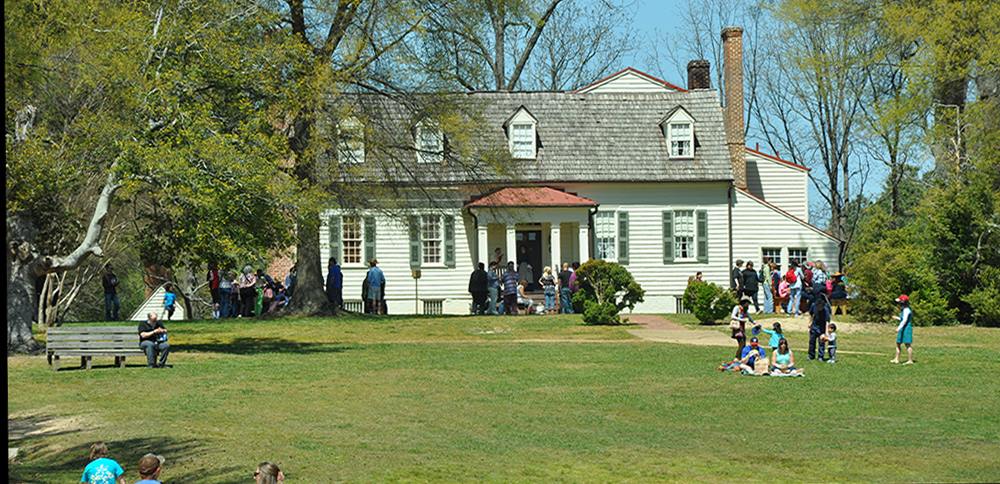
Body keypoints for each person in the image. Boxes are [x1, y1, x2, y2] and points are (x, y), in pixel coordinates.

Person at [892, 294, 915, 365]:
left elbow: (905, 321)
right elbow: (903, 319)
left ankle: (910, 360)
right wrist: (897, 318)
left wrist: (898, 328)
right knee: (898, 343)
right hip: (902, 328)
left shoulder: (906, 310)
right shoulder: (903, 310)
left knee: (907, 344)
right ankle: (896, 359)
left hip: (906, 328)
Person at [808, 292, 831, 360]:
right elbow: (811, 314)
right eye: (818, 307)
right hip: (814, 326)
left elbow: (827, 322)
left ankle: (820, 356)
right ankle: (811, 356)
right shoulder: (813, 306)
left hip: (822, 328)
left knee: (821, 343)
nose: (819, 308)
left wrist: (826, 333)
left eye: (821, 307)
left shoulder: (826, 310)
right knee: (812, 342)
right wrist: (810, 323)